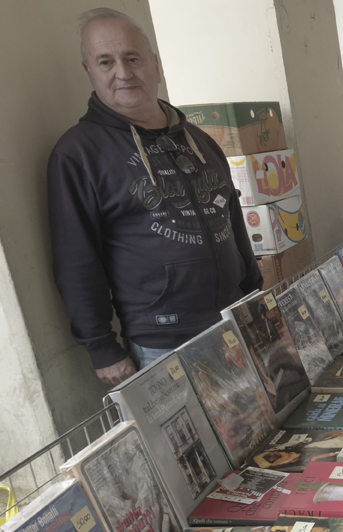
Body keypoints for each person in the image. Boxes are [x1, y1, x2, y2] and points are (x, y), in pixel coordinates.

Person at [49, 8, 261, 386]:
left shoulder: (200, 141)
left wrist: (254, 297)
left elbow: (231, 222)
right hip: (162, 347)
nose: (123, 72)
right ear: (89, 71)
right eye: (106, 61)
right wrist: (102, 348)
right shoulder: (78, 154)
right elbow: (75, 260)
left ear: (155, 64)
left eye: (132, 58)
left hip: (234, 323)